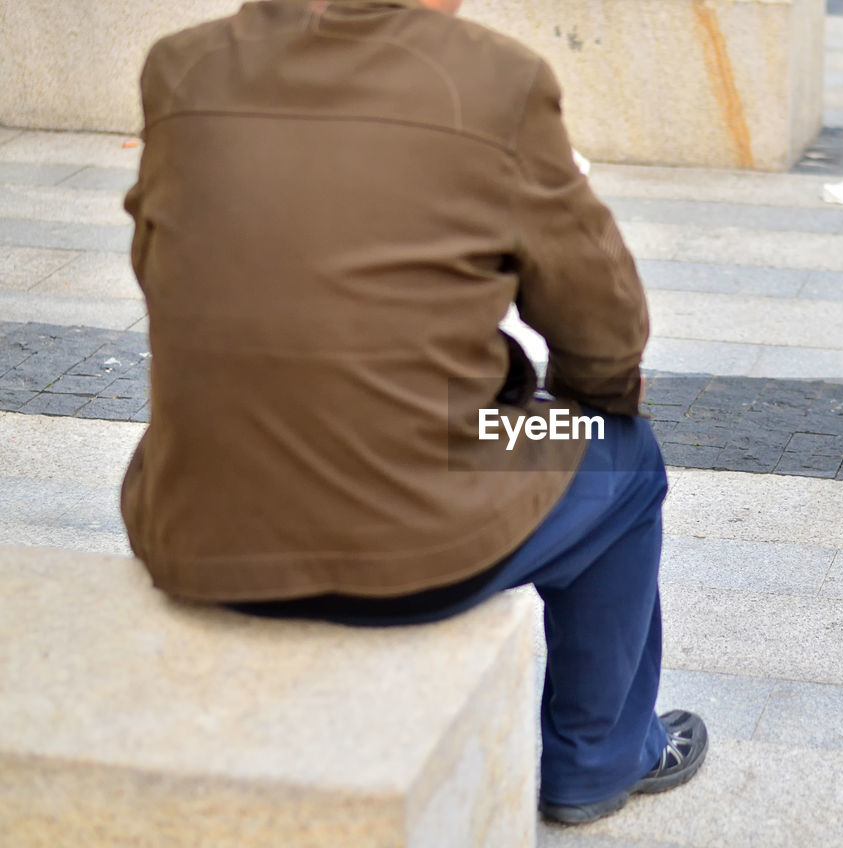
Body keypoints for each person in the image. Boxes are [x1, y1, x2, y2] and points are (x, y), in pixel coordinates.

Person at [120, 0, 707, 824]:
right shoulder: (493, 81)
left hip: (192, 523)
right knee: (625, 456)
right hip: (416, 524)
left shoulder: (180, 67)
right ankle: (598, 759)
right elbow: (604, 324)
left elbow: (167, 272)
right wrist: (572, 405)